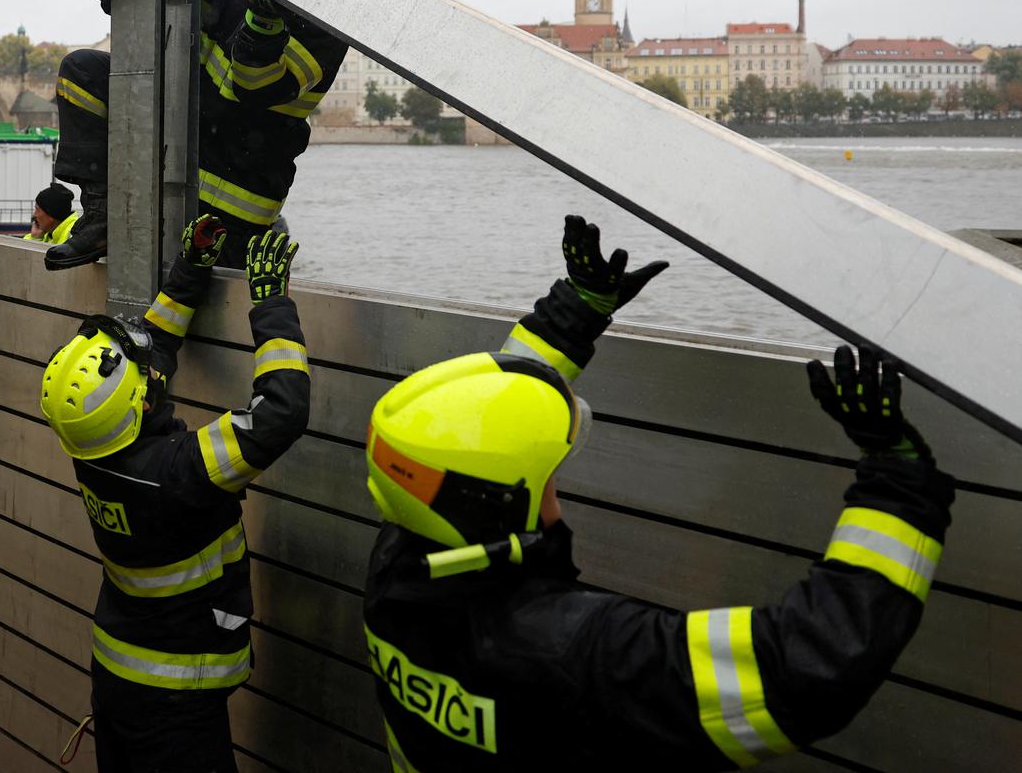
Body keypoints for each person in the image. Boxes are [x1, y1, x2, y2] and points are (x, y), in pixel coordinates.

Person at [361, 216, 954, 770]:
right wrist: (897, 481)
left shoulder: (398, 567)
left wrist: (575, 311)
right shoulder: (576, 652)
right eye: (549, 475)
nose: (557, 485)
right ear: (503, 506)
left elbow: (472, 438)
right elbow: (801, 669)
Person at [41, 216, 310, 771]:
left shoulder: (92, 446)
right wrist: (270, 304)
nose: (151, 377)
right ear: (137, 406)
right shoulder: (176, 471)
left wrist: (191, 269)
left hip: (120, 675)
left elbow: (154, 352)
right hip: (177, 695)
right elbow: (280, 413)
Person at [47, 0, 383, 270]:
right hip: (186, 147)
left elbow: (252, 88)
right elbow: (165, 2)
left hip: (232, 198)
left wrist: (263, 28)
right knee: (84, 71)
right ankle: (103, 216)